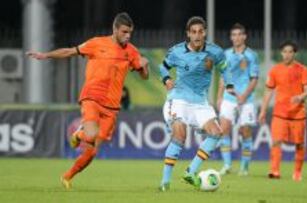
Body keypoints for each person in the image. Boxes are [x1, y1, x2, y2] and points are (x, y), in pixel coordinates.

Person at [26, 12, 149, 189]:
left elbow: (144, 77)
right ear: (114, 29)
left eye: (130, 33)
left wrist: (145, 66)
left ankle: (67, 176)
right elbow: (70, 51)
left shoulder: (132, 51)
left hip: (112, 106)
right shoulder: (96, 43)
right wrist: (45, 55)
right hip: (91, 97)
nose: (127, 36)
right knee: (90, 135)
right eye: (124, 32)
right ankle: (79, 134)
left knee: (93, 150)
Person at [158, 16, 233, 191]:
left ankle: (190, 171)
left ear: (205, 32)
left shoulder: (215, 52)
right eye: (194, 32)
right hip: (178, 100)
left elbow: (225, 69)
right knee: (179, 136)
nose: (197, 35)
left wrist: (229, 85)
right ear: (188, 34)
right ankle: (165, 182)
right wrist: (167, 79)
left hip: (200, 102)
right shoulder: (177, 51)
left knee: (216, 132)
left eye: (200, 31)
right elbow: (163, 67)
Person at [258, 40, 307, 181]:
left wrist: (301, 97)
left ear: (294, 53)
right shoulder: (275, 70)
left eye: (290, 52)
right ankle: (274, 171)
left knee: (299, 144)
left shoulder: (302, 69)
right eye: (285, 52)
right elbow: (268, 92)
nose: (287, 54)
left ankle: (297, 172)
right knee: (276, 141)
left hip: (298, 113)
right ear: (281, 53)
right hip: (280, 113)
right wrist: (263, 111)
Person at [217, 23, 259, 176]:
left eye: (238, 34)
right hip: (229, 97)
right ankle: (227, 165)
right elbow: (223, 77)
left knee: (245, 131)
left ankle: (244, 168)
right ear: (231, 37)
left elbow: (254, 79)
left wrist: (244, 95)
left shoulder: (251, 55)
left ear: (244, 36)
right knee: (224, 129)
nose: (236, 38)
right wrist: (219, 96)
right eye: (233, 35)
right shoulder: (226, 54)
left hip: (246, 99)